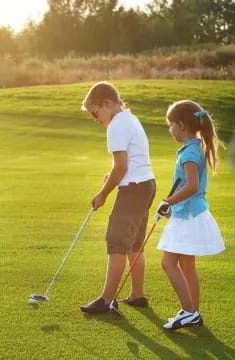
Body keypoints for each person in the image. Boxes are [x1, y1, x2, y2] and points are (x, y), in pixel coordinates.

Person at [80, 81, 156, 313]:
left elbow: (121, 166)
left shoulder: (116, 126)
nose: (96, 119)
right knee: (134, 244)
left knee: (117, 243)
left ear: (107, 103)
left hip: (133, 189)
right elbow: (127, 163)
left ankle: (106, 300)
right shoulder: (130, 119)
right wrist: (111, 177)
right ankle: (137, 295)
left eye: (95, 112)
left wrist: (103, 194)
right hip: (146, 185)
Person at [154, 100, 225, 330]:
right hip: (190, 212)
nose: (170, 129)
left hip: (188, 216)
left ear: (181, 125)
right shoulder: (194, 148)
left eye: (171, 125)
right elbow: (189, 186)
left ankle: (189, 312)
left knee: (168, 263)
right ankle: (192, 311)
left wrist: (167, 201)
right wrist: (172, 207)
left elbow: (192, 185)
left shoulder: (190, 153)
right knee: (187, 265)